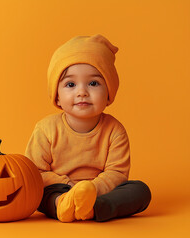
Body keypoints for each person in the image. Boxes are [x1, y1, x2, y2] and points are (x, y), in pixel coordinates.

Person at [25, 34, 151, 222]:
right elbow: (35, 172)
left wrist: (92, 189)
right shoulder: (45, 129)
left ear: (109, 92)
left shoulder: (115, 130)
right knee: (37, 194)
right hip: (60, 189)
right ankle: (62, 204)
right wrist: (71, 187)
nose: (82, 92)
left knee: (140, 190)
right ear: (57, 96)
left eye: (93, 83)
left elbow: (117, 173)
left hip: (101, 192)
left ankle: (94, 208)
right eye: (70, 84)